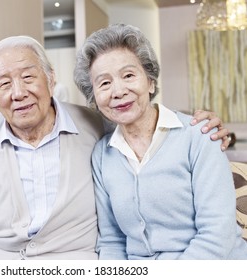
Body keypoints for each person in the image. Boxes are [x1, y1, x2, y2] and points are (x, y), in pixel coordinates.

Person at [0, 35, 230, 260]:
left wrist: (200, 124)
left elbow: (143, 119)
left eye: (28, 77)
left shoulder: (92, 125)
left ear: (51, 78)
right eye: (4, 83)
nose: (18, 93)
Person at [73, 23, 247, 260]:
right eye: (104, 83)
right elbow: (112, 240)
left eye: (128, 75)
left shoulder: (198, 135)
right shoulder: (102, 156)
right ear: (94, 97)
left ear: (151, 81)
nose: (118, 91)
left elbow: (218, 232)